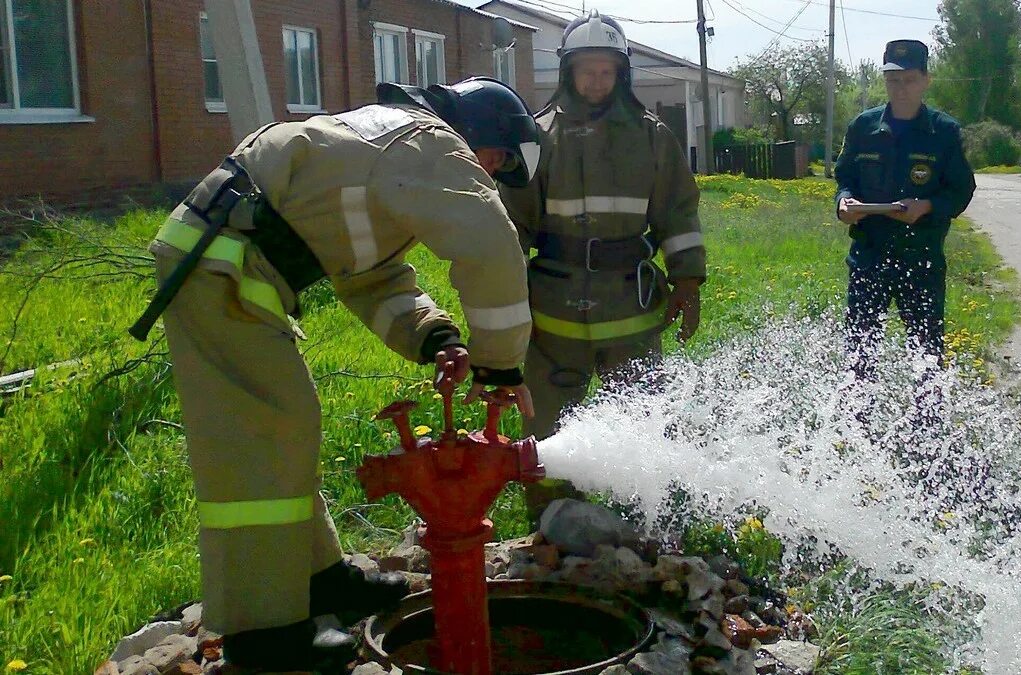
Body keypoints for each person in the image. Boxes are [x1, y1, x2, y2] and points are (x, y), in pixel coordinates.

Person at [129, 77, 539, 672]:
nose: (489, 171)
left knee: (285, 427)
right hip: (221, 266)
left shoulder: (383, 149)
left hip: (229, 257)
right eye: (495, 157)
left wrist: (438, 338)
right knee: (262, 435)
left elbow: (369, 277)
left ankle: (320, 582)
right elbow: (491, 243)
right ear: (473, 128)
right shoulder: (431, 141)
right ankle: (263, 635)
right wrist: (500, 363)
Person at [500, 11, 707, 521]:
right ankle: (552, 523)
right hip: (552, 311)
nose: (595, 81)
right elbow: (512, 225)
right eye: (585, 70)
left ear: (621, 74)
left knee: (642, 415)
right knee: (547, 423)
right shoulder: (537, 138)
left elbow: (677, 212)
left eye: (606, 71)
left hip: (628, 304)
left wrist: (687, 282)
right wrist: (501, 298)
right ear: (568, 72)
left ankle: (645, 518)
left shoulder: (652, 137)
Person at [834, 39, 976, 380]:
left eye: (909, 79)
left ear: (926, 80)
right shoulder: (863, 128)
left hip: (921, 257)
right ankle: (855, 426)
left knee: (927, 353)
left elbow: (961, 190)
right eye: (893, 80)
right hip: (869, 256)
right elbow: (845, 179)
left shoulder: (943, 132)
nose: (901, 88)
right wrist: (843, 203)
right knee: (859, 351)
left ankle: (926, 429)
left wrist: (926, 205)